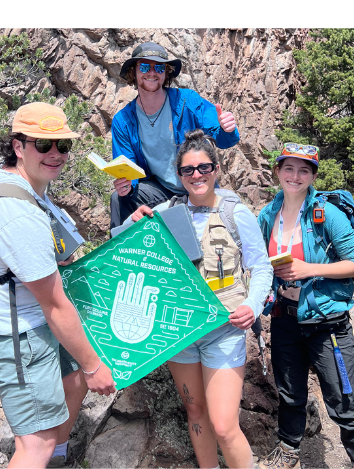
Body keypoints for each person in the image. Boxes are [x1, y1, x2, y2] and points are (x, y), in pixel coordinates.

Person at [0, 102, 117, 469]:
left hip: (25, 316)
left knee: (71, 377)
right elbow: (54, 304)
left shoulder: (6, 174)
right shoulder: (18, 214)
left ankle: (58, 457)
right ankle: (48, 454)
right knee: (37, 443)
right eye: (43, 144)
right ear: (18, 146)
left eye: (62, 145)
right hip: (17, 333)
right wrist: (94, 366)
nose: (55, 154)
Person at [121, 131, 273, 469]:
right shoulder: (166, 212)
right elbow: (128, 248)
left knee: (224, 425)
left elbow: (261, 267)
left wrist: (252, 306)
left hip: (224, 328)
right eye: (188, 170)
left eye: (204, 167)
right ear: (179, 175)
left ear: (215, 169)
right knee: (195, 411)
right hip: (180, 331)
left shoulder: (236, 213)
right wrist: (133, 222)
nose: (196, 175)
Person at [255, 144, 354, 469]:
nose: (295, 176)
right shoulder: (267, 215)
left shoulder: (327, 213)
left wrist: (308, 269)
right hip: (284, 318)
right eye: (289, 168)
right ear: (277, 171)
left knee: (343, 401)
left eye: (304, 170)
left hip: (327, 322)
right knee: (290, 393)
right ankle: (288, 452)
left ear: (313, 176)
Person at [108, 41, 240, 228]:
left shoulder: (187, 101)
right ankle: (123, 246)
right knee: (118, 198)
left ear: (166, 73)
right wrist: (127, 187)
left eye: (159, 68)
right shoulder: (123, 121)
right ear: (133, 72)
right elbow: (128, 169)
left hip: (196, 184)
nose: (152, 73)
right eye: (144, 66)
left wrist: (227, 128)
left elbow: (222, 138)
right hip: (160, 191)